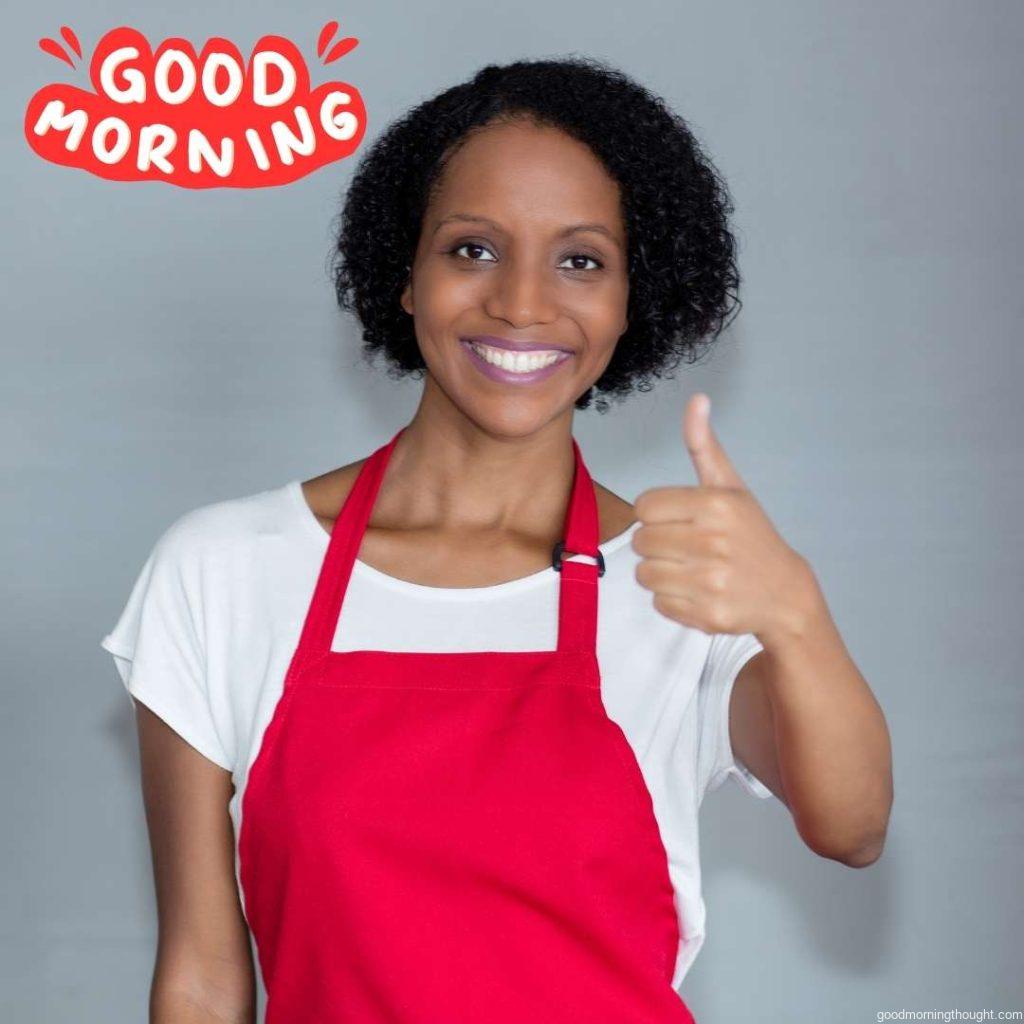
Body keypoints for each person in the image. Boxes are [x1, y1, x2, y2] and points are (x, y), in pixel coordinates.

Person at [101, 56, 893, 1023]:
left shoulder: (680, 579)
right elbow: (198, 978)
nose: (522, 303)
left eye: (581, 259)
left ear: (631, 298)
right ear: (405, 273)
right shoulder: (222, 570)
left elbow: (851, 827)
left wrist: (795, 612)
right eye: (473, 249)